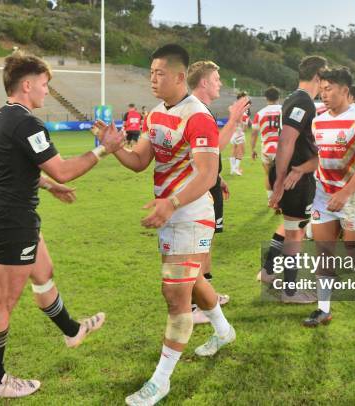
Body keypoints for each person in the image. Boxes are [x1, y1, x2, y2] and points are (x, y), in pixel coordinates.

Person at [95, 44, 235, 406]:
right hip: (169, 212)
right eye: (150, 73)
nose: (152, 79)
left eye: (159, 73)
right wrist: (114, 148)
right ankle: (223, 330)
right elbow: (141, 160)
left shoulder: (198, 116)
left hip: (189, 213)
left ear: (178, 76)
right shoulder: (155, 114)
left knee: (175, 296)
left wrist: (171, 203)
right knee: (191, 280)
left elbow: (206, 175)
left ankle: (161, 380)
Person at [0, 51, 106, 398]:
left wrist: (50, 187)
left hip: (14, 214)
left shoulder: (1, 116)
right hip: (11, 219)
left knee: (43, 272)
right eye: (45, 85)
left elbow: (14, 169)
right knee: (3, 301)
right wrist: (101, 151)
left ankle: (72, 330)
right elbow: (62, 167)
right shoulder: (25, 123)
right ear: (27, 84)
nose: (47, 91)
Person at [303, 67, 355, 327]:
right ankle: (323, 309)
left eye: (329, 89)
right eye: (321, 89)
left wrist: (346, 192)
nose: (323, 94)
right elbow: (320, 158)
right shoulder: (317, 120)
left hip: (353, 195)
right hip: (323, 195)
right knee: (324, 253)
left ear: (345, 90)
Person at [259, 56, 327, 305]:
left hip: (291, 173)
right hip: (295, 177)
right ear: (318, 76)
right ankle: (290, 292)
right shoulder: (304, 101)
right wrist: (279, 181)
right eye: (325, 78)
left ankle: (268, 271)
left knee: (290, 228)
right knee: (296, 235)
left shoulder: (292, 98)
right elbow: (286, 140)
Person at [187, 60, 250, 323]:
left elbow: (203, 154)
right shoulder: (195, 110)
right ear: (204, 82)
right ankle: (193, 306)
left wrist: (219, 176)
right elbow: (212, 148)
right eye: (216, 79)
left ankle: (206, 294)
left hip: (208, 183)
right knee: (196, 245)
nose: (220, 83)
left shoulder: (200, 109)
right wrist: (235, 118)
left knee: (206, 241)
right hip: (197, 189)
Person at [250, 86, 283, 202]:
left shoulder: (260, 114)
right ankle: (280, 201)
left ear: (266, 98)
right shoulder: (285, 110)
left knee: (268, 175)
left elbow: (254, 134)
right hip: (282, 149)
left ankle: (271, 200)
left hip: (267, 149)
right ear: (279, 97)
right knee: (283, 176)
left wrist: (252, 149)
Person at [229, 91, 251, 175]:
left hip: (233, 131)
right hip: (239, 132)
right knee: (242, 151)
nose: (247, 99)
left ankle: (232, 169)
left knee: (234, 149)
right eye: (245, 97)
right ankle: (236, 168)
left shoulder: (234, 107)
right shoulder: (242, 109)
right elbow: (244, 126)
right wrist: (244, 125)